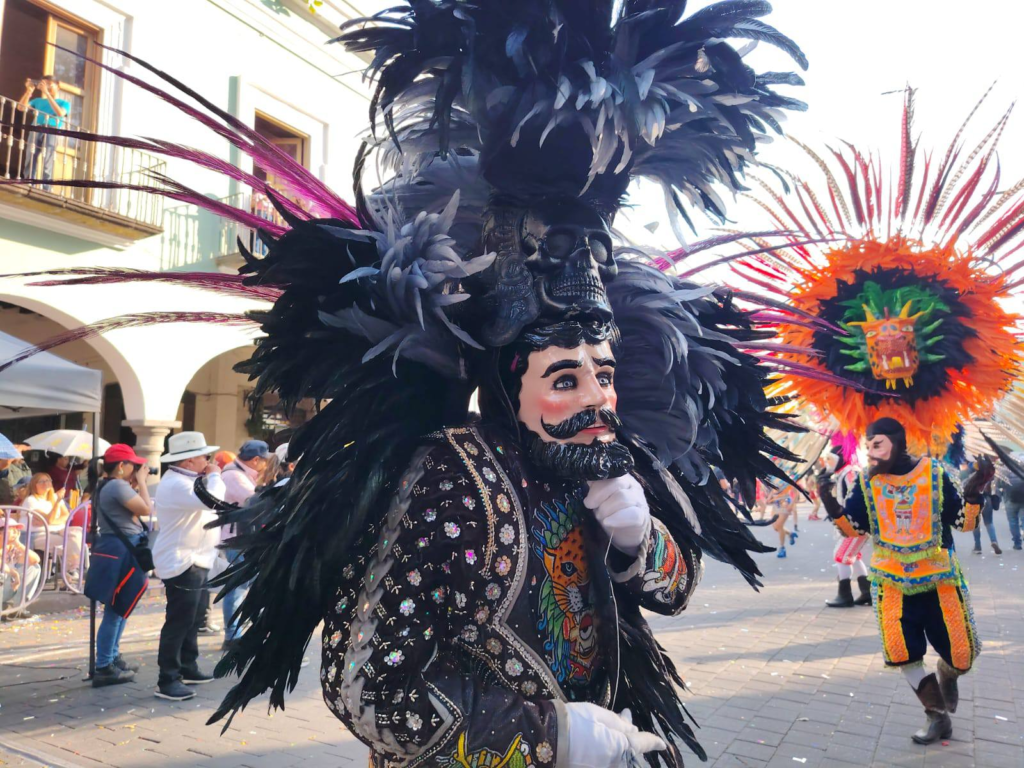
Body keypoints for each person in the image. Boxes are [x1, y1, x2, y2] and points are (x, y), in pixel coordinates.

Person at [819, 418, 987, 745]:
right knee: (902, 653)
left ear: (897, 443)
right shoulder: (867, 484)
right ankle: (936, 717)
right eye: (867, 446)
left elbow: (963, 524)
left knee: (964, 655)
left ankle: (947, 674)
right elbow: (854, 529)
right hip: (891, 584)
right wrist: (829, 501)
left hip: (940, 581)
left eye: (877, 444)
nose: (870, 453)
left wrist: (973, 494)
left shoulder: (935, 474)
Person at [152, 431, 224, 702]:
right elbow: (214, 499)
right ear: (189, 461)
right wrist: (215, 474)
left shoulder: (185, 480)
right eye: (204, 456)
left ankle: (188, 666)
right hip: (183, 560)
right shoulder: (176, 485)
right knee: (179, 621)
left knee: (193, 619)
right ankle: (167, 678)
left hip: (196, 558)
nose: (208, 459)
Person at [91, 444, 154, 687]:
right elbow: (146, 509)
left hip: (117, 548)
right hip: (123, 549)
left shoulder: (106, 485)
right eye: (132, 465)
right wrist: (143, 483)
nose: (135, 470)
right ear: (120, 466)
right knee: (116, 610)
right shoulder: (116, 485)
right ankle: (105, 665)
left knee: (121, 606)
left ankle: (112, 658)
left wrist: (136, 484)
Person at [217, 440, 268, 647]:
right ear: (256, 460)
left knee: (243, 586)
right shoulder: (233, 476)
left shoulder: (240, 474)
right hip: (237, 540)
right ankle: (232, 636)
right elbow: (255, 502)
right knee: (237, 588)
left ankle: (239, 631)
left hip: (242, 538)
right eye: (265, 461)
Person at [821, 445, 872, 608]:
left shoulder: (850, 472)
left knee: (841, 555)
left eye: (830, 459)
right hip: (852, 524)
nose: (828, 463)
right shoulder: (845, 472)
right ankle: (867, 592)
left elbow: (856, 498)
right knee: (853, 556)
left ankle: (845, 595)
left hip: (855, 525)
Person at [16, 75, 70, 190]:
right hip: (36, 128)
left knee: (48, 159)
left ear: (58, 86)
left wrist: (47, 93)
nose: (46, 87)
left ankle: (46, 188)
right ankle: (28, 182)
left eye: (49, 84)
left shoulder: (64, 102)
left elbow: (60, 113)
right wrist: (29, 91)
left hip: (52, 129)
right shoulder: (38, 101)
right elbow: (21, 107)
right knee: (30, 157)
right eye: (44, 84)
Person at [1, 517, 41, 619]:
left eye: (17, 530)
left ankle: (18, 608)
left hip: (7, 588)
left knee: (34, 567)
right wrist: (14, 573)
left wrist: (18, 544)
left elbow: (35, 560)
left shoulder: (12, 547)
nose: (16, 532)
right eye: (12, 529)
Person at [962, 460, 1001, 555]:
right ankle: (994, 541)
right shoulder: (990, 477)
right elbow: (995, 490)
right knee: (989, 522)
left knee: (976, 524)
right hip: (987, 500)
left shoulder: (971, 477)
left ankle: (978, 546)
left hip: (974, 501)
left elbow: (964, 488)